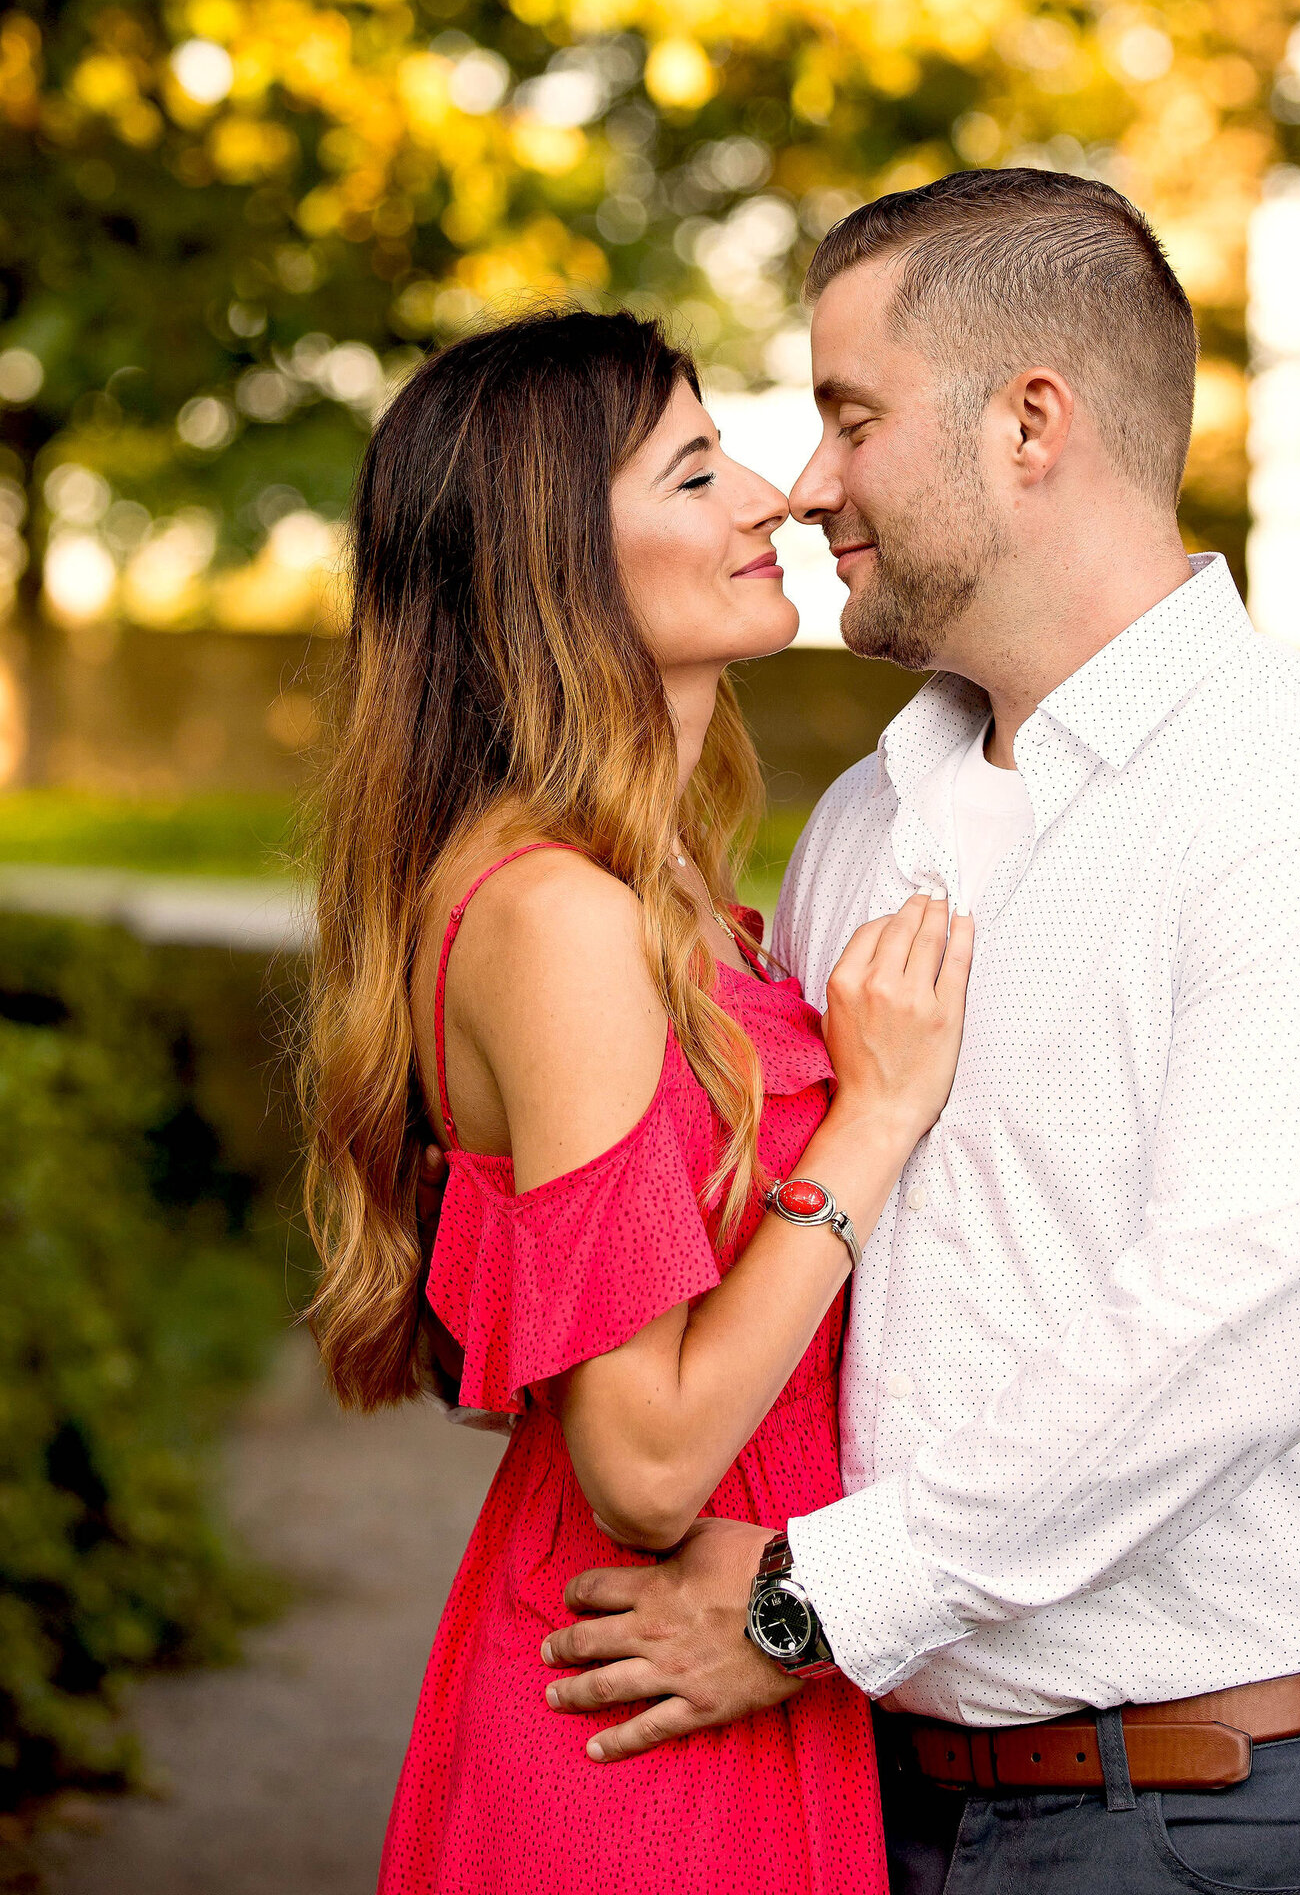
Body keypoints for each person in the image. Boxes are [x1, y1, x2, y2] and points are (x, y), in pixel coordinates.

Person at [541, 168, 1300, 1895]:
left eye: (851, 417)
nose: (810, 482)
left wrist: (800, 1602)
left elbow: (1242, 1320)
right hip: (869, 1783)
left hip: (1217, 1809)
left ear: (1029, 424)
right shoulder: (865, 816)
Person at [296, 309, 974, 1895]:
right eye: (693, 472)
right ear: (556, 566)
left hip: (720, 1657)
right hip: (640, 1711)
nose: (768, 498)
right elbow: (647, 1459)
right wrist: (871, 1124)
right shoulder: (558, 918)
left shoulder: (648, 895)